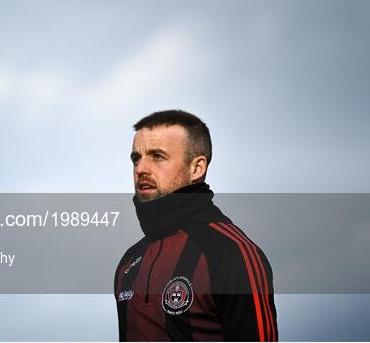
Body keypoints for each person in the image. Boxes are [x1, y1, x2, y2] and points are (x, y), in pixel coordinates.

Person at [114, 110, 278, 341]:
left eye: (157, 156)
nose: (141, 169)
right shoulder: (129, 262)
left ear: (196, 168)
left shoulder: (230, 253)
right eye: (136, 158)